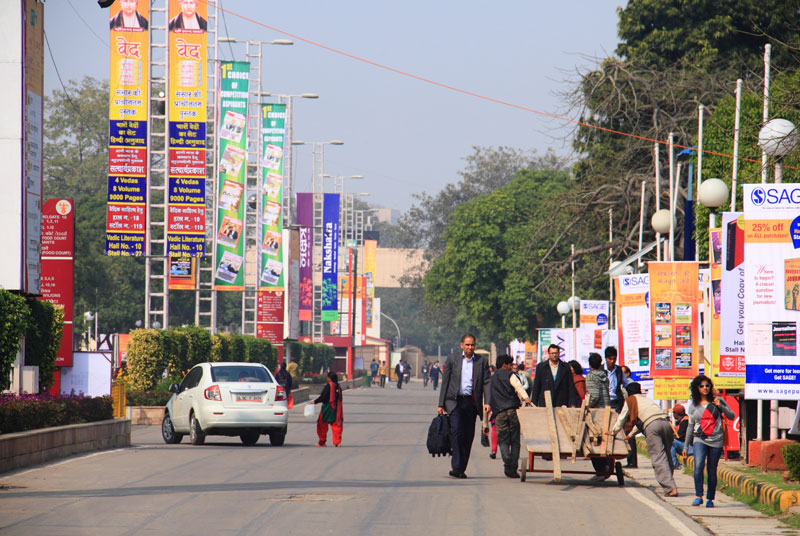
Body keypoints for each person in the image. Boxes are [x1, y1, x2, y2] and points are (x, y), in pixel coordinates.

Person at [437, 334, 491, 479]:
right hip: (454, 402)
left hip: (472, 403)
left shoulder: (482, 361)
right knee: (456, 432)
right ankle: (456, 465)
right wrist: (441, 404)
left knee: (468, 436)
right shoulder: (452, 359)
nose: (470, 347)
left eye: (472, 345)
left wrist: (487, 402)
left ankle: (461, 468)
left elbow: (487, 382)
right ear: (461, 345)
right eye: (467, 345)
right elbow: (446, 382)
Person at [609, 382, 678, 496]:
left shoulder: (630, 400)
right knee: (667, 455)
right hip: (666, 424)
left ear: (628, 393)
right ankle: (670, 483)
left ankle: (671, 488)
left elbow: (621, 419)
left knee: (658, 457)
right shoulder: (646, 400)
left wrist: (613, 432)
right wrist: (630, 435)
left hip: (652, 426)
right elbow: (644, 421)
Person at [684, 375, 735, 508]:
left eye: (707, 385)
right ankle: (698, 496)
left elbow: (731, 416)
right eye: (701, 386)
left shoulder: (718, 400)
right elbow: (690, 426)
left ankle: (710, 498)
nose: (705, 388)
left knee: (712, 470)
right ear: (696, 388)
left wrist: (721, 407)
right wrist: (685, 446)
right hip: (700, 439)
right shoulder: (693, 406)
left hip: (716, 439)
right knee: (699, 465)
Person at [490, 355, 531, 478]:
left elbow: (487, 395)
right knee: (514, 440)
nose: (511, 367)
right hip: (512, 411)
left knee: (502, 439)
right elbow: (519, 387)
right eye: (510, 365)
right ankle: (513, 466)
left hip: (499, 412)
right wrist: (527, 399)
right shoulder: (511, 375)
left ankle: (506, 459)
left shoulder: (492, 378)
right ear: (505, 365)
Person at [585, 352, 611, 476]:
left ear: (590, 364)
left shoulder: (590, 376)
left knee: (593, 441)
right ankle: (607, 466)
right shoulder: (604, 376)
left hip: (596, 412)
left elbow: (594, 396)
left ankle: (601, 469)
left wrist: (587, 406)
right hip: (606, 410)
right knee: (605, 439)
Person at [313, 372, 343, 447]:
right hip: (336, 409)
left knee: (321, 424)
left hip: (327, 407)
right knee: (336, 425)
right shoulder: (338, 386)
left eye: (328, 377)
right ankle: (337, 442)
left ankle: (322, 442)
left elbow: (323, 397)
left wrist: (315, 402)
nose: (327, 379)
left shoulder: (328, 386)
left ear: (330, 378)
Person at [605, 346, 630, 412]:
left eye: (614, 359)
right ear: (606, 358)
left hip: (617, 402)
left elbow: (626, 384)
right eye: (610, 359)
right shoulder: (601, 370)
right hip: (605, 402)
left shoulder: (619, 370)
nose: (612, 361)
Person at [670, 403, 692, 469]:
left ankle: (674, 464)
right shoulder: (682, 420)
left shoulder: (685, 421)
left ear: (677, 414)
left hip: (690, 447)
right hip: (686, 446)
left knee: (672, 442)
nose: (673, 415)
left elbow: (679, 436)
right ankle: (674, 464)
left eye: (673, 413)